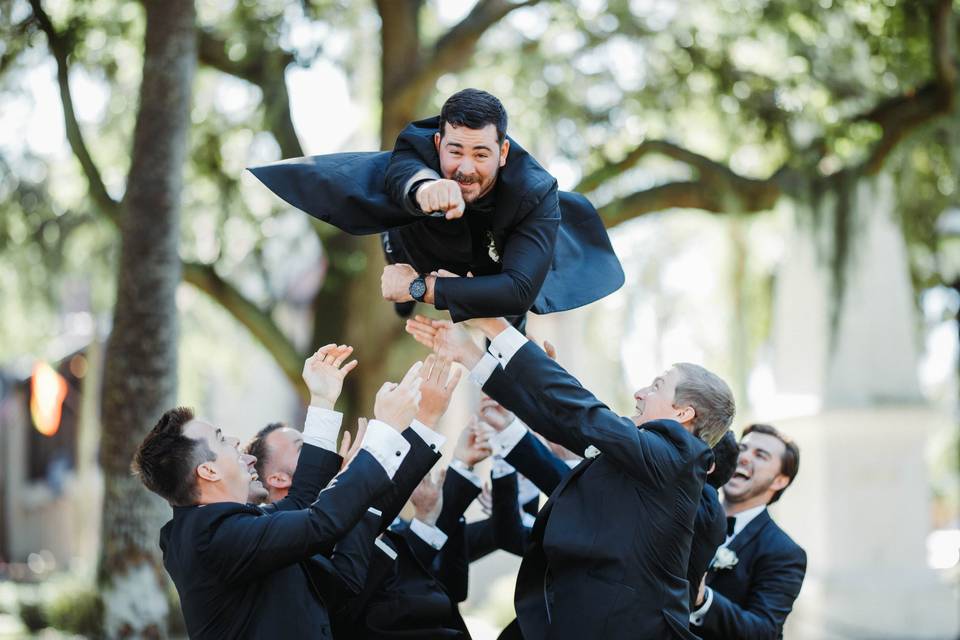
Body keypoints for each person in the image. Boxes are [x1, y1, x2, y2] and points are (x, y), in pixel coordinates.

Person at [406, 315, 736, 640]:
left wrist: (496, 327)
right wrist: (469, 355)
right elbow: (561, 421)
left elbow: (583, 413)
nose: (639, 393)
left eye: (658, 386)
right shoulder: (647, 458)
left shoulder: (678, 457)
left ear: (683, 413)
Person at [248, 88, 623, 325]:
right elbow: (403, 172)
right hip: (414, 244)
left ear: (503, 152)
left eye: (481, 154)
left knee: (508, 332)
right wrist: (424, 188)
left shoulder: (535, 191)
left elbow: (519, 289)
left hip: (488, 265)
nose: (465, 167)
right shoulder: (418, 143)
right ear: (439, 141)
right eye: (455, 151)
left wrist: (417, 288)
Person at [132, 345, 423, 639]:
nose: (234, 440)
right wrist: (384, 431)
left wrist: (322, 400)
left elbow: (300, 502)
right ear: (208, 471)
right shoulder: (211, 537)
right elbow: (319, 522)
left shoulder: (219, 527)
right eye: (220, 439)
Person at [689, 424, 806, 640]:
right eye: (741, 448)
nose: (743, 457)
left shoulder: (785, 553)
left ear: (780, 480)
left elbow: (764, 631)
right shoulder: (687, 514)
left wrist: (702, 599)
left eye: (761, 455)